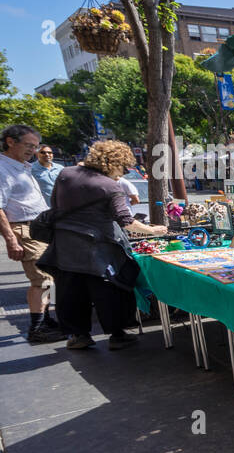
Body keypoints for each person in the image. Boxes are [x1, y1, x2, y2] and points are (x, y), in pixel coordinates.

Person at [42, 140, 165, 350]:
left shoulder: (65, 174)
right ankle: (117, 334)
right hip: (99, 247)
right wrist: (154, 230)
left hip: (66, 244)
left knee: (71, 291)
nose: (123, 173)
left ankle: (79, 335)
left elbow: (55, 205)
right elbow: (126, 221)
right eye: (123, 168)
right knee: (111, 289)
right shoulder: (109, 186)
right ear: (114, 163)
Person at [0, 124, 65, 343]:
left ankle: (45, 320)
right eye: (29, 145)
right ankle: (37, 328)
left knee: (47, 278)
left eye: (35, 146)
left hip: (37, 227)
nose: (33, 151)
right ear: (11, 142)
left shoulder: (22, 166)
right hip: (24, 228)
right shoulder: (3, 168)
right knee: (42, 279)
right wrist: (11, 240)